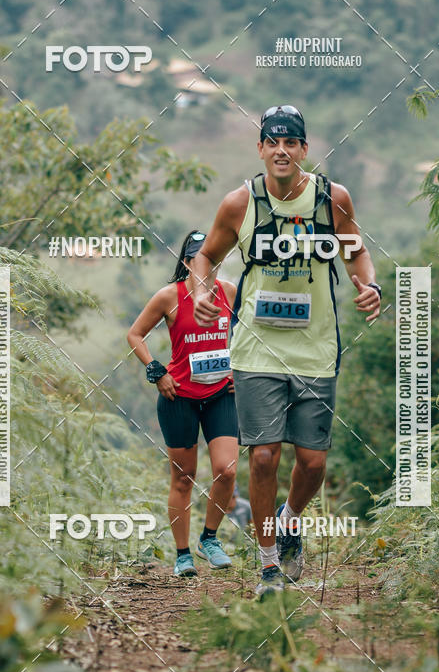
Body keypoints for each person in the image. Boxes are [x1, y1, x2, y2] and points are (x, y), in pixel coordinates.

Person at [191, 105, 381, 598]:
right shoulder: (240, 203)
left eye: (291, 142)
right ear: (259, 149)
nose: (281, 151)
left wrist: (369, 285)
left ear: (304, 149)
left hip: (315, 348)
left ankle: (289, 519)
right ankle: (270, 567)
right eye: (272, 142)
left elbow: (357, 251)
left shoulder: (332, 199)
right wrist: (202, 292)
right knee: (263, 457)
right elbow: (205, 256)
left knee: (313, 463)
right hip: (256, 348)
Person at [127, 230, 239, 577]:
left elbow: (250, 330)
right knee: (183, 478)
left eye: (214, 260)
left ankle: (209, 539)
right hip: (179, 397)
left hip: (221, 394)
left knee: (227, 470)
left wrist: (242, 370)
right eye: (201, 260)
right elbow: (135, 334)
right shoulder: (169, 296)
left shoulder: (229, 292)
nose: (209, 266)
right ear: (188, 263)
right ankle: (182, 555)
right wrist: (156, 371)